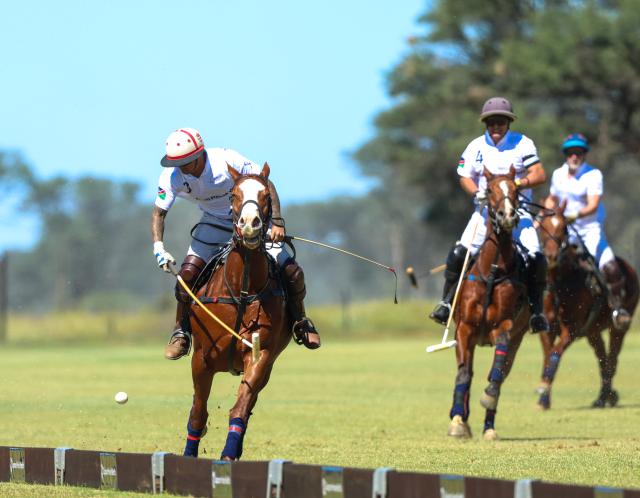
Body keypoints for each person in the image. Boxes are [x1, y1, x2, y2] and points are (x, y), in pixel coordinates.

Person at [151, 128, 320, 360]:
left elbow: (265, 183)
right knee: (186, 276)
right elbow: (159, 213)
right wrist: (158, 246)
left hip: (254, 223)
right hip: (214, 223)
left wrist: (278, 222)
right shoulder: (172, 177)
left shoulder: (226, 159)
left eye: (186, 162)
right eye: (177, 163)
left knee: (292, 271)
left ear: (199, 154)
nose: (181, 168)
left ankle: (301, 321)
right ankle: (181, 333)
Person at [429, 97, 549, 333]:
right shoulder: (475, 147)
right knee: (459, 253)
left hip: (519, 212)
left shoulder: (523, 144)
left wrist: (517, 183)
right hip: (485, 212)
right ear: (486, 124)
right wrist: (478, 193)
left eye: (500, 123)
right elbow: (464, 176)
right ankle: (446, 303)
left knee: (536, 257)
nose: (496, 127)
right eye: (491, 123)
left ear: (508, 123)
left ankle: (536, 311)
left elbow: (539, 173)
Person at [545, 133, 630, 330]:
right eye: (570, 153)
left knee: (609, 266)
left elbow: (593, 205)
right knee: (547, 259)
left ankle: (618, 309)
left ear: (584, 154)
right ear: (565, 155)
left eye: (579, 152)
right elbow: (552, 198)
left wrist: (575, 214)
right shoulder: (558, 174)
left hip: (589, 229)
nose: (574, 156)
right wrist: (548, 212)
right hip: (566, 229)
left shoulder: (593, 175)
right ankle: (540, 308)